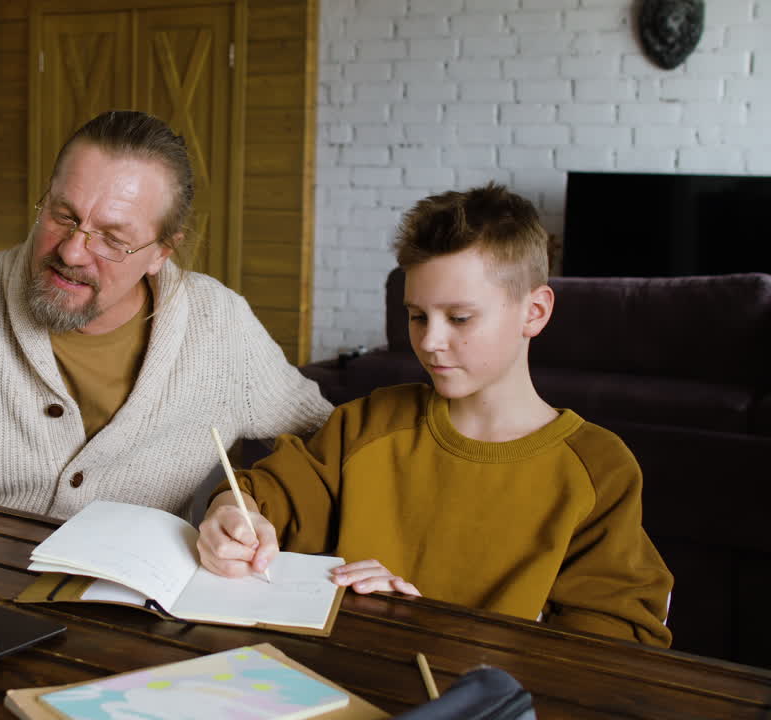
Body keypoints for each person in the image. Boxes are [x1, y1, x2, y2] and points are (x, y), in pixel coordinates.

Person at [196, 183, 674, 646]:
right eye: (418, 316)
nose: (429, 341)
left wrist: (425, 623)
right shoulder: (369, 425)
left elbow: (614, 641)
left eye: (459, 318)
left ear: (534, 311)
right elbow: (264, 494)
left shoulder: (599, 469)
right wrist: (233, 513)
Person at [0, 110, 332, 519]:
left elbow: (328, 442)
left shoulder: (220, 325)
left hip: (130, 610)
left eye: (112, 239)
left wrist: (249, 504)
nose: (72, 252)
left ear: (162, 252)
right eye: (63, 216)